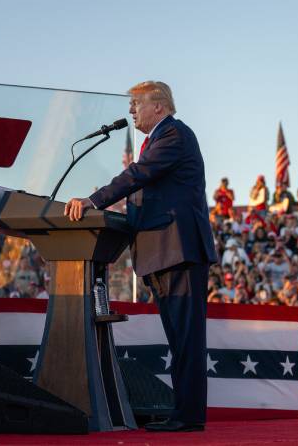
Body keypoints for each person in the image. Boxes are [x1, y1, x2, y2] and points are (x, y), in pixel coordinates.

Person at [65, 80, 216, 432]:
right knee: (179, 338)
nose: (131, 110)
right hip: (162, 251)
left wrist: (94, 201)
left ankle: (189, 416)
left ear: (159, 106)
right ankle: (184, 412)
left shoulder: (174, 136)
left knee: (186, 338)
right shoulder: (158, 139)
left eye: (137, 103)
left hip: (178, 250)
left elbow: (138, 175)